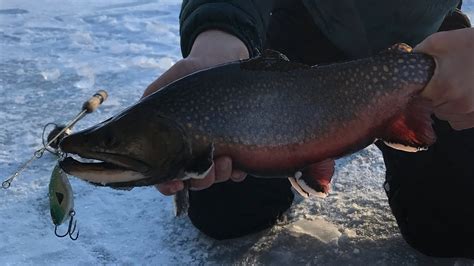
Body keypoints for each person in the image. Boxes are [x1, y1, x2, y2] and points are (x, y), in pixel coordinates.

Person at [144, 0, 474, 258]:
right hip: (296, 42)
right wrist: (219, 36)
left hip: (432, 48)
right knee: (228, 215)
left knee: (454, 228)